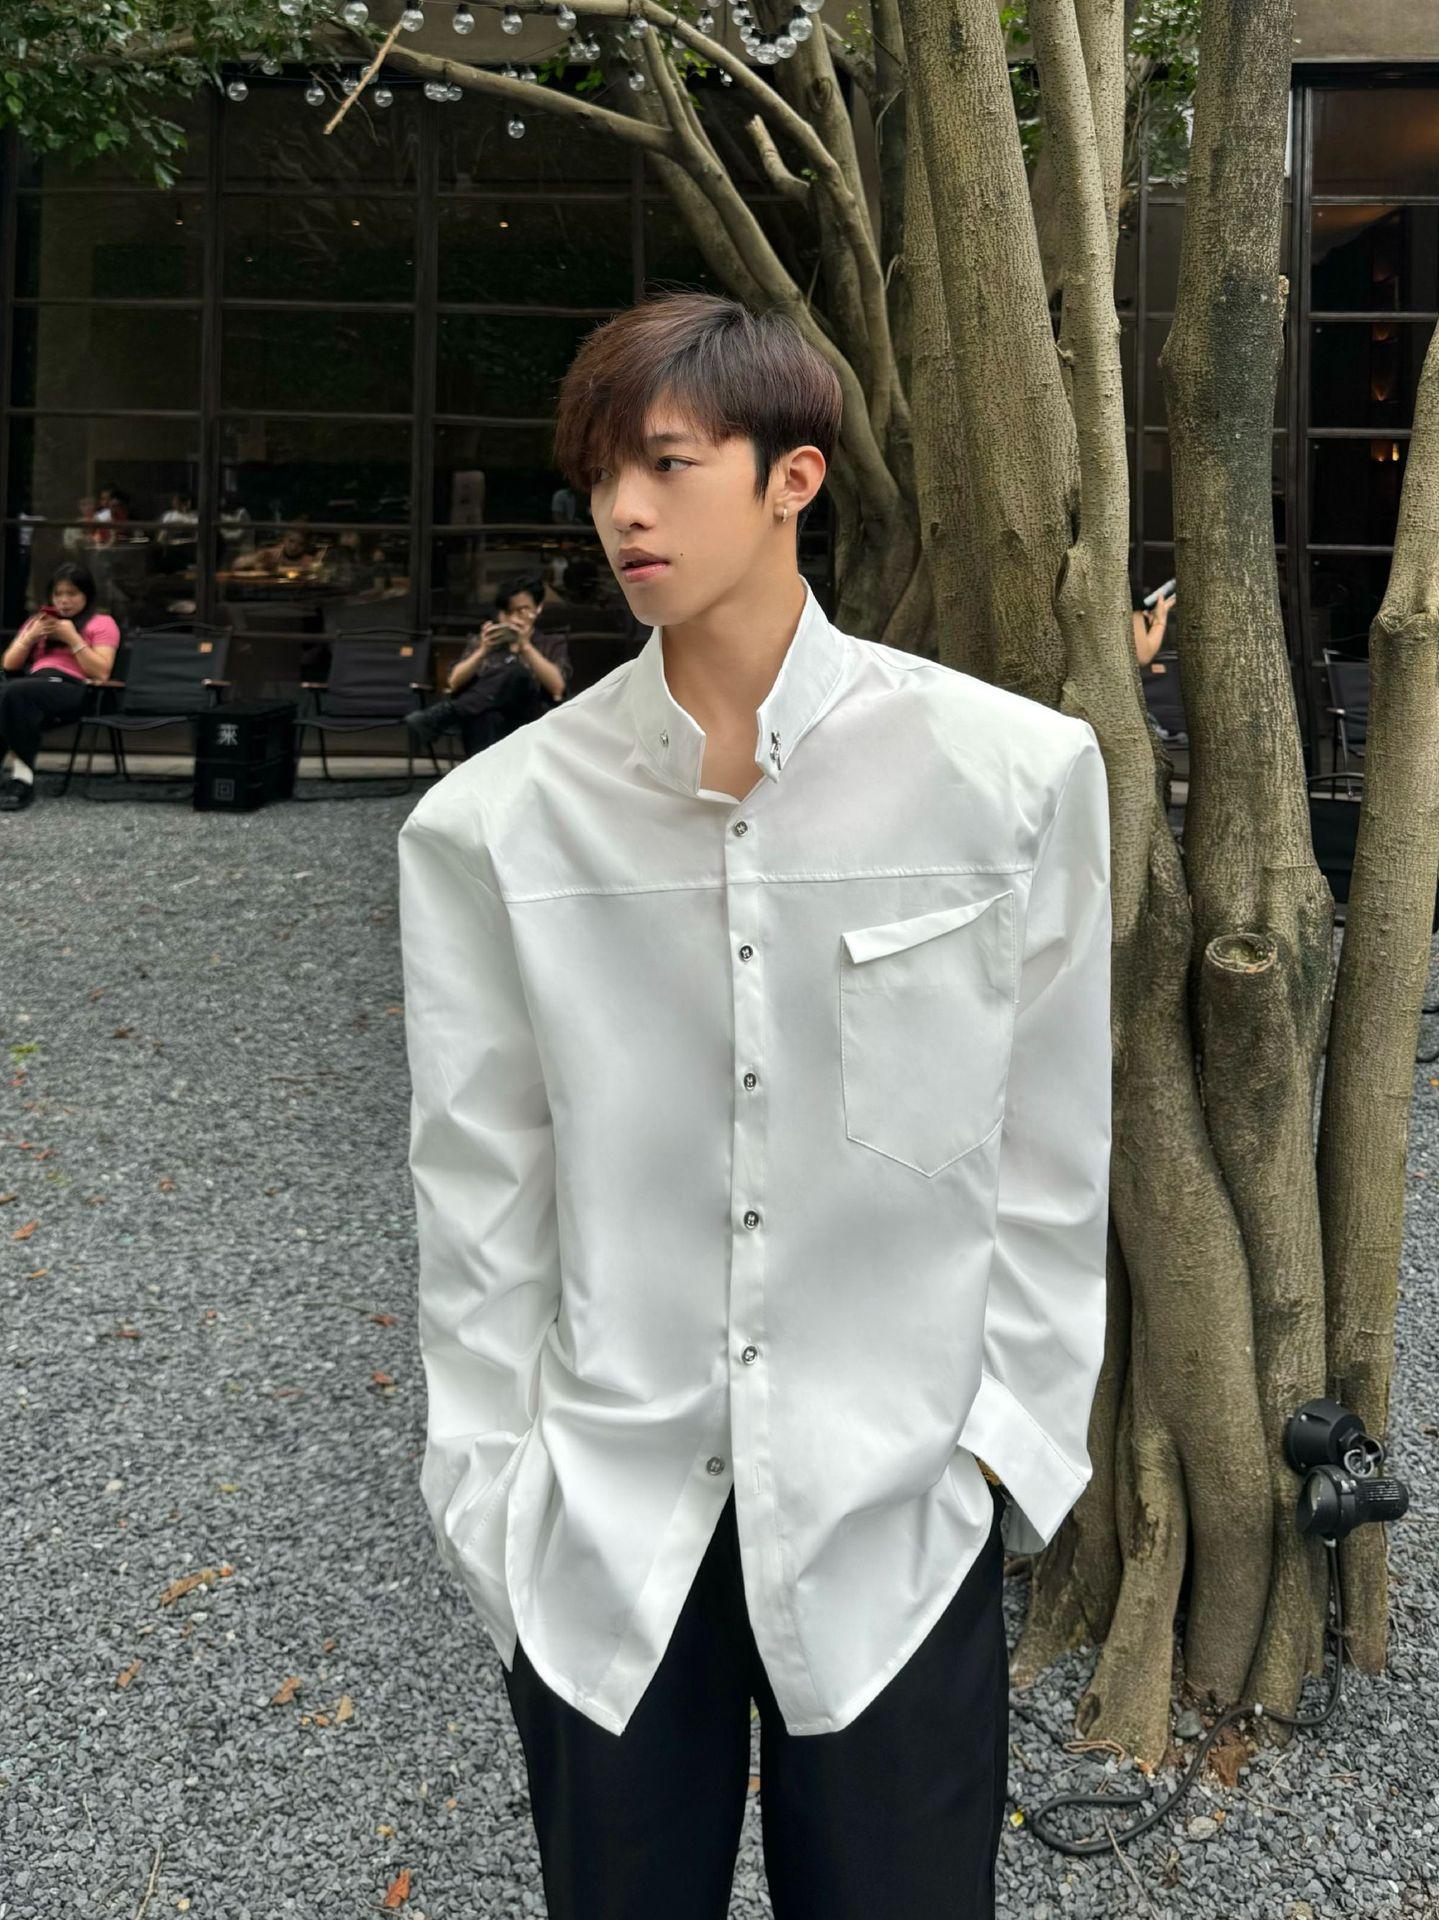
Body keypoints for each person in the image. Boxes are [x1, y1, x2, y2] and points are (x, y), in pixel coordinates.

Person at [396, 292, 1113, 1919]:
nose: (621, 512)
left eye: (664, 463)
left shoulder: (1008, 781)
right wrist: (489, 1493)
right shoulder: (492, 828)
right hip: (600, 1514)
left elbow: (1048, 1148)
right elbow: (480, 1191)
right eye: (598, 476)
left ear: (793, 477)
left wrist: (997, 1452)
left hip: (893, 1503)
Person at [406, 573, 572, 761]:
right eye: (508, 612)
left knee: (516, 672)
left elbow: (557, 687)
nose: (514, 619)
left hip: (531, 719)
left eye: (522, 610)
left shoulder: (550, 643)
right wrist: (483, 650)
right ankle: (487, 772)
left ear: (538, 608)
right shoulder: (484, 642)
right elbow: (454, 682)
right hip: (488, 722)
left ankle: (448, 713)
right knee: (486, 716)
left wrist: (525, 646)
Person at [0, 561, 121, 812]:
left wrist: (72, 637)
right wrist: (30, 637)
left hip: (76, 687)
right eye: (58, 594)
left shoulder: (101, 623)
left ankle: (22, 779)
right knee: (13, 694)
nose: (64, 601)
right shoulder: (39, 622)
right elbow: (9, 664)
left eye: (72, 593)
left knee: (15, 693)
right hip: (35, 684)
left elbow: (101, 671)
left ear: (86, 595)